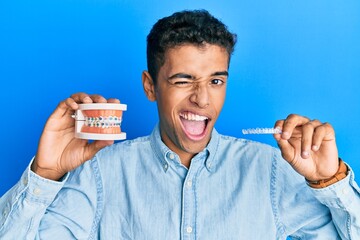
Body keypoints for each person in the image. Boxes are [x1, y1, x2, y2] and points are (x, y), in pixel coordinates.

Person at [0, 9, 359, 240]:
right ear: (150, 86)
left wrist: (330, 181)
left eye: (216, 81)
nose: (203, 99)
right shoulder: (101, 174)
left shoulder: (271, 171)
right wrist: (45, 174)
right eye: (184, 80)